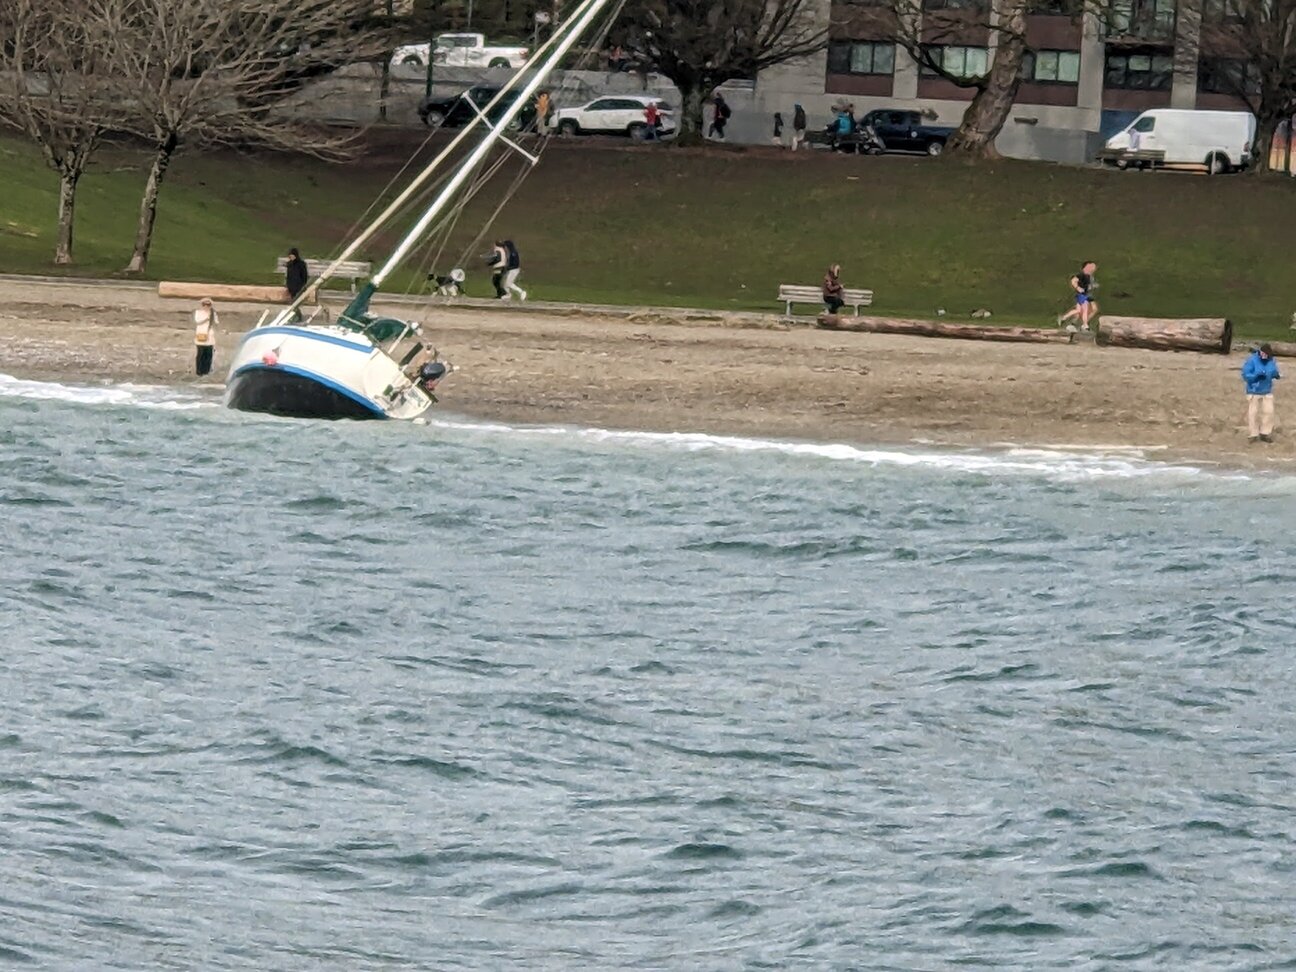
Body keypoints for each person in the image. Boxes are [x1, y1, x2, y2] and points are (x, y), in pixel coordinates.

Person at [1242, 343, 1281, 443]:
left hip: (1267, 390)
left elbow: (1274, 370)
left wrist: (1275, 374)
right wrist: (1255, 377)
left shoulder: (1271, 360)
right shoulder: (1252, 360)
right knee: (1253, 413)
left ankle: (1265, 432)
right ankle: (1253, 434)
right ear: (1261, 352)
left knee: (1269, 412)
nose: (1266, 356)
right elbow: (1245, 374)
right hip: (1254, 390)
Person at [1058, 260, 1098, 331]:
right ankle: (1084, 325)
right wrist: (1078, 288)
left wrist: (1092, 286)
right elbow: (1073, 280)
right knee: (1084, 310)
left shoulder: (1089, 276)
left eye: (1093, 267)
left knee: (1079, 310)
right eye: (1091, 267)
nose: (1093, 269)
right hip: (1082, 295)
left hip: (1086, 294)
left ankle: (1065, 318)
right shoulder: (1082, 275)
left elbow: (1087, 285)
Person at [193, 297, 218, 377]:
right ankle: (199, 370)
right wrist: (206, 318)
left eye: (208, 304)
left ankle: (206, 370)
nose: (206, 306)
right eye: (205, 304)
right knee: (200, 354)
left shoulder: (213, 313)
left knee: (208, 354)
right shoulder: (198, 312)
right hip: (201, 334)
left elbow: (216, 322)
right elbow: (197, 321)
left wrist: (213, 316)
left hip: (209, 335)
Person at [284, 247, 309, 322]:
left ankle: (297, 316)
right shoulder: (289, 264)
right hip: (291, 286)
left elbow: (304, 276)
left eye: (292, 256)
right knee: (293, 302)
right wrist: (287, 285)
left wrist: (303, 285)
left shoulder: (301, 264)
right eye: (290, 256)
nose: (291, 257)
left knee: (295, 302)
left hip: (299, 286)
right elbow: (288, 276)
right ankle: (296, 315)